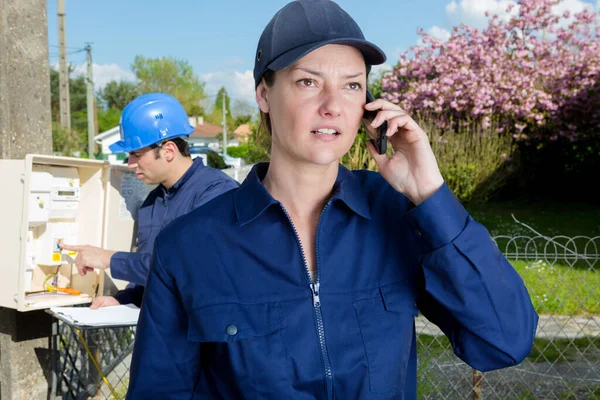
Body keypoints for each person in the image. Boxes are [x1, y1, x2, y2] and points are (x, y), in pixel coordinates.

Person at [126, 1, 539, 398]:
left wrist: (430, 193)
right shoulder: (189, 247)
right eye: (308, 82)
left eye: (352, 86)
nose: (332, 106)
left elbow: (504, 341)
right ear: (264, 94)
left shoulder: (398, 213)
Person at [61, 93, 239, 309]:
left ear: (169, 151)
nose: (130, 163)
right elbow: (153, 274)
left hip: (210, 334)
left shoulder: (217, 192)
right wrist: (122, 299)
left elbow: (191, 268)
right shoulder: (152, 202)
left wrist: (110, 259)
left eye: (136, 154)